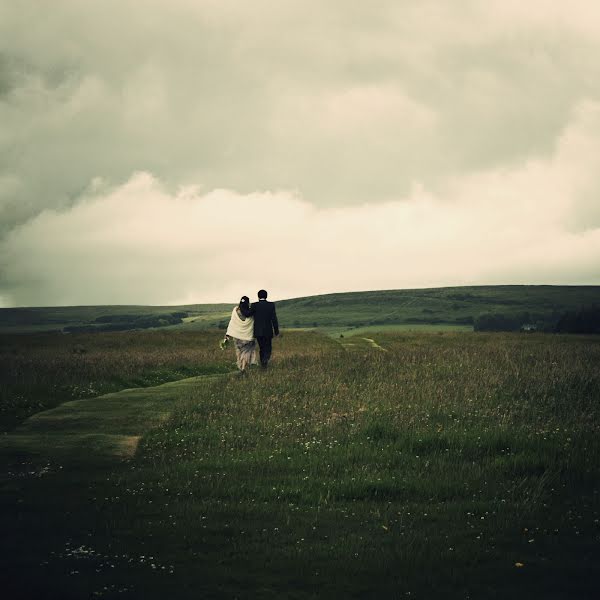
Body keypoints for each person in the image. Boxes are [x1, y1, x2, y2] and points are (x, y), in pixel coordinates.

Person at [244, 289, 279, 369]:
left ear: (258, 296)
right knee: (268, 348)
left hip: (258, 332)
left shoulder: (254, 305)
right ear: (266, 296)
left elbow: (248, 314)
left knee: (261, 348)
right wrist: (276, 331)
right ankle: (265, 360)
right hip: (268, 331)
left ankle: (263, 364)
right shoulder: (271, 305)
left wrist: (243, 305)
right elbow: (274, 318)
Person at [225, 296, 257, 375]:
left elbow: (232, 323)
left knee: (239, 352)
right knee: (247, 352)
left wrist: (227, 334)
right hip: (248, 336)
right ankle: (244, 368)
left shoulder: (235, 310)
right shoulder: (250, 312)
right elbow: (252, 322)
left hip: (237, 337)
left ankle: (241, 367)